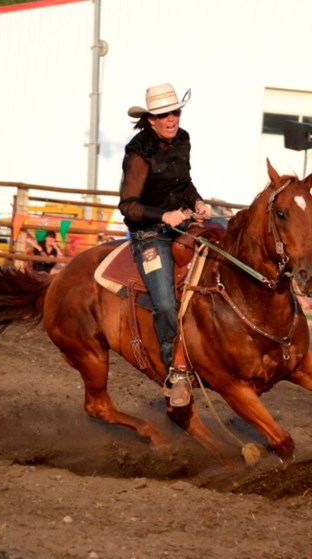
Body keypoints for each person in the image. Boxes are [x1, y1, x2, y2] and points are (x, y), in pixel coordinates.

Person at [118, 82, 212, 408]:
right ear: (151, 119)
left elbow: (183, 182)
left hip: (183, 222)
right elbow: (128, 206)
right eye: (164, 114)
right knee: (166, 304)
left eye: (176, 112)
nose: (172, 119)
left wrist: (196, 202)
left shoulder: (182, 139)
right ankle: (176, 371)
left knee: (226, 243)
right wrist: (164, 215)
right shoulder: (138, 152)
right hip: (149, 235)